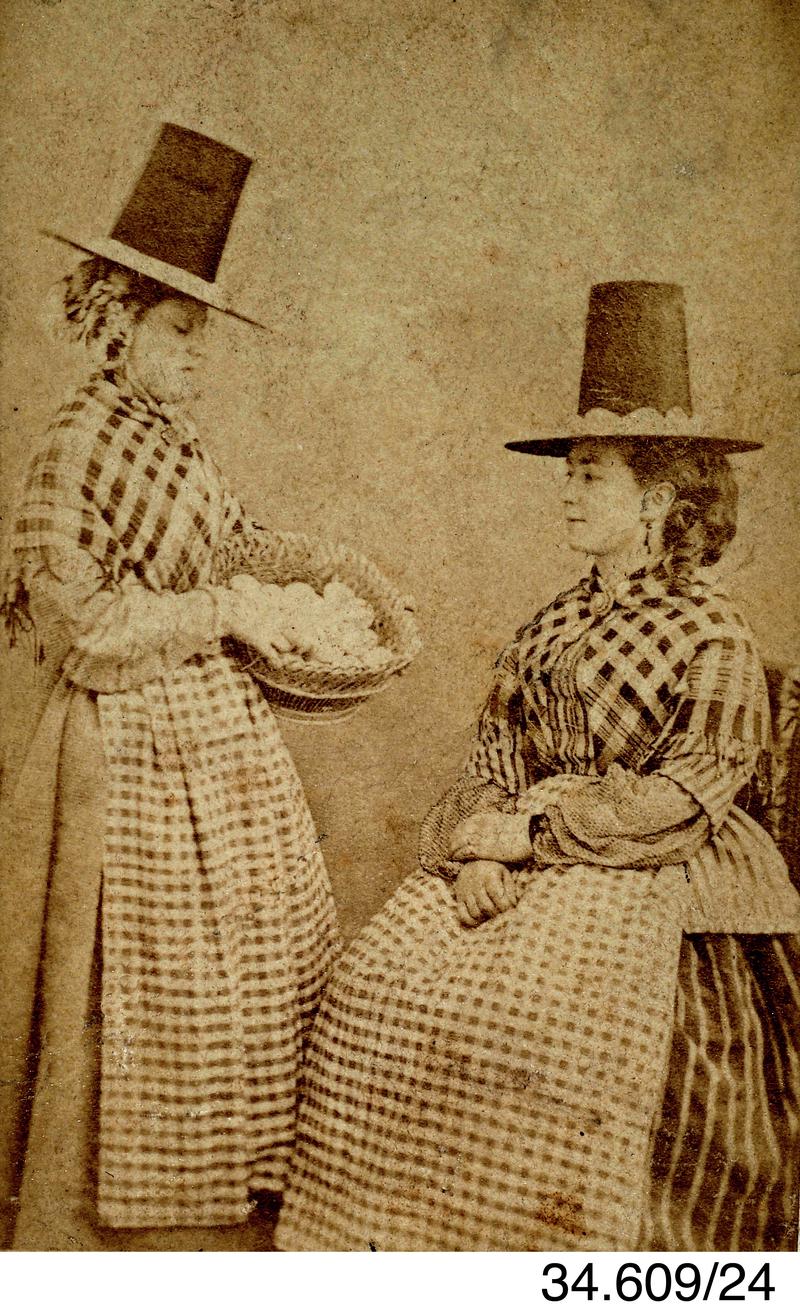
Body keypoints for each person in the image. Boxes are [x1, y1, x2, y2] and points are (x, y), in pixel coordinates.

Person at [276, 282, 800, 1252]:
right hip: (516, 854)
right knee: (375, 996)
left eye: (590, 475)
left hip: (657, 873)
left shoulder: (712, 630)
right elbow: (492, 756)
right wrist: (477, 848)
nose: (568, 492)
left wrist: (535, 835)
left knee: (555, 1035)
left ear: (656, 499)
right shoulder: (549, 623)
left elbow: (687, 798)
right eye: (570, 472)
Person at [0, 125, 406, 1249]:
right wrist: (219, 611)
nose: (197, 356)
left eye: (202, 336)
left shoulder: (176, 439)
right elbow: (79, 630)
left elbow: (227, 547)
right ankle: (104, 1221)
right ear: (117, 319)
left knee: (251, 967)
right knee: (137, 984)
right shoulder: (75, 442)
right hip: (117, 747)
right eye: (179, 331)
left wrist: (309, 577)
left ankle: (225, 1193)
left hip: (218, 742)